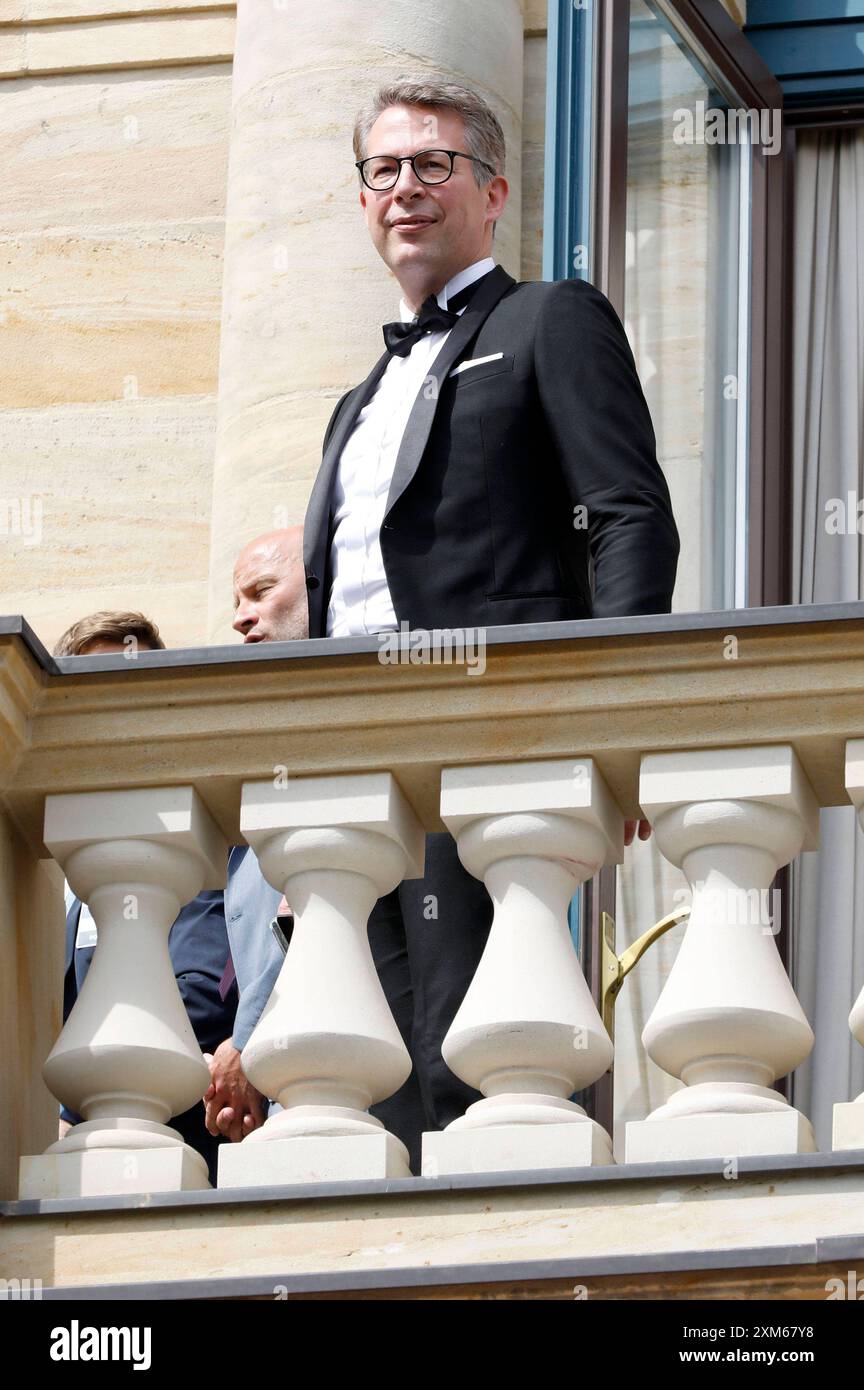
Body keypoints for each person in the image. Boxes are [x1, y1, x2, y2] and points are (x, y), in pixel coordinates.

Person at [300, 80, 681, 1138]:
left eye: (434, 165)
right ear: (362, 198)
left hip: (485, 735)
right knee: (367, 1069)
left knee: (472, 1059)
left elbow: (631, 520)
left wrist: (622, 726)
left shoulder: (549, 317)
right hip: (347, 760)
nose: (406, 188)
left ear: (494, 191)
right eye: (384, 170)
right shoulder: (356, 400)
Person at [54, 611, 238, 1185]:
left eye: (128, 679)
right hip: (98, 1145)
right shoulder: (71, 853)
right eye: (89, 685)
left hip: (190, 1139)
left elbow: (207, 989)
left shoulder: (196, 823)